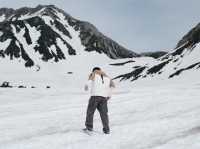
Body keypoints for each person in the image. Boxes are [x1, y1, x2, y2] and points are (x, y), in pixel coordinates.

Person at [83, 67, 115, 134]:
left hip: (95, 96)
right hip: (103, 98)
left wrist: (86, 86)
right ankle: (106, 130)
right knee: (104, 114)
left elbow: (89, 81)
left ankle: (89, 128)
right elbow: (113, 86)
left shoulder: (93, 73)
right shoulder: (107, 77)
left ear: (94, 70)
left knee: (90, 112)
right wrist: (109, 95)